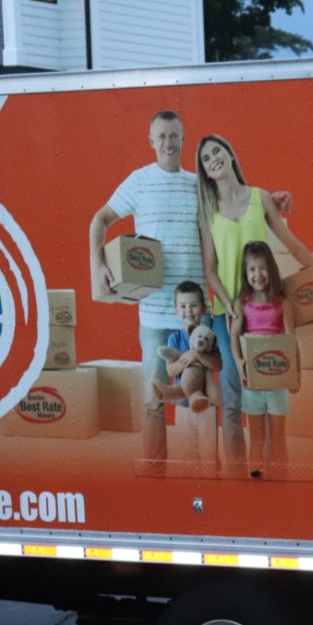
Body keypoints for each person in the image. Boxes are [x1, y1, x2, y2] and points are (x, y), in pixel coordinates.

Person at [194, 134, 313, 470]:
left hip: (264, 309)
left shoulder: (261, 198)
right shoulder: (207, 212)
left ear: (230, 154)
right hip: (228, 314)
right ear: (204, 171)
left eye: (217, 151)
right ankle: (240, 474)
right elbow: (210, 269)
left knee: (270, 392)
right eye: (206, 158)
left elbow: (291, 244)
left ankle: (274, 470)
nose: (213, 159)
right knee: (234, 397)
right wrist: (227, 303)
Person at [88, 111, 201, 474]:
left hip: (195, 314)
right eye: (162, 136)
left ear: (184, 139)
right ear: (151, 141)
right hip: (153, 314)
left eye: (175, 135)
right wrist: (99, 265)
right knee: (154, 398)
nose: (169, 143)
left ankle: (197, 475)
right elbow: (100, 219)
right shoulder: (139, 182)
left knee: (195, 398)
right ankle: (155, 473)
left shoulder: (198, 184)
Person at [229, 240, 292, 478]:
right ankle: (255, 477)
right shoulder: (242, 304)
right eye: (252, 269)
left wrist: (295, 376)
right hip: (252, 383)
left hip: (277, 382)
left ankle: (282, 477)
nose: (258, 274)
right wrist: (239, 363)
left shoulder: (282, 304)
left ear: (271, 269)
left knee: (278, 436)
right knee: (256, 437)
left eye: (263, 268)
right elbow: (234, 336)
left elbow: (290, 340)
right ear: (245, 273)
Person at [154, 280, 222, 412]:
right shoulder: (175, 338)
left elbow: (218, 365)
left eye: (194, 305)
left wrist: (197, 355)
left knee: (207, 425)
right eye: (183, 306)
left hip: (205, 400)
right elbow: (170, 371)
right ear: (176, 310)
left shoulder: (208, 337)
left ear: (203, 309)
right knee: (183, 426)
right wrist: (186, 359)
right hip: (182, 402)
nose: (189, 311)